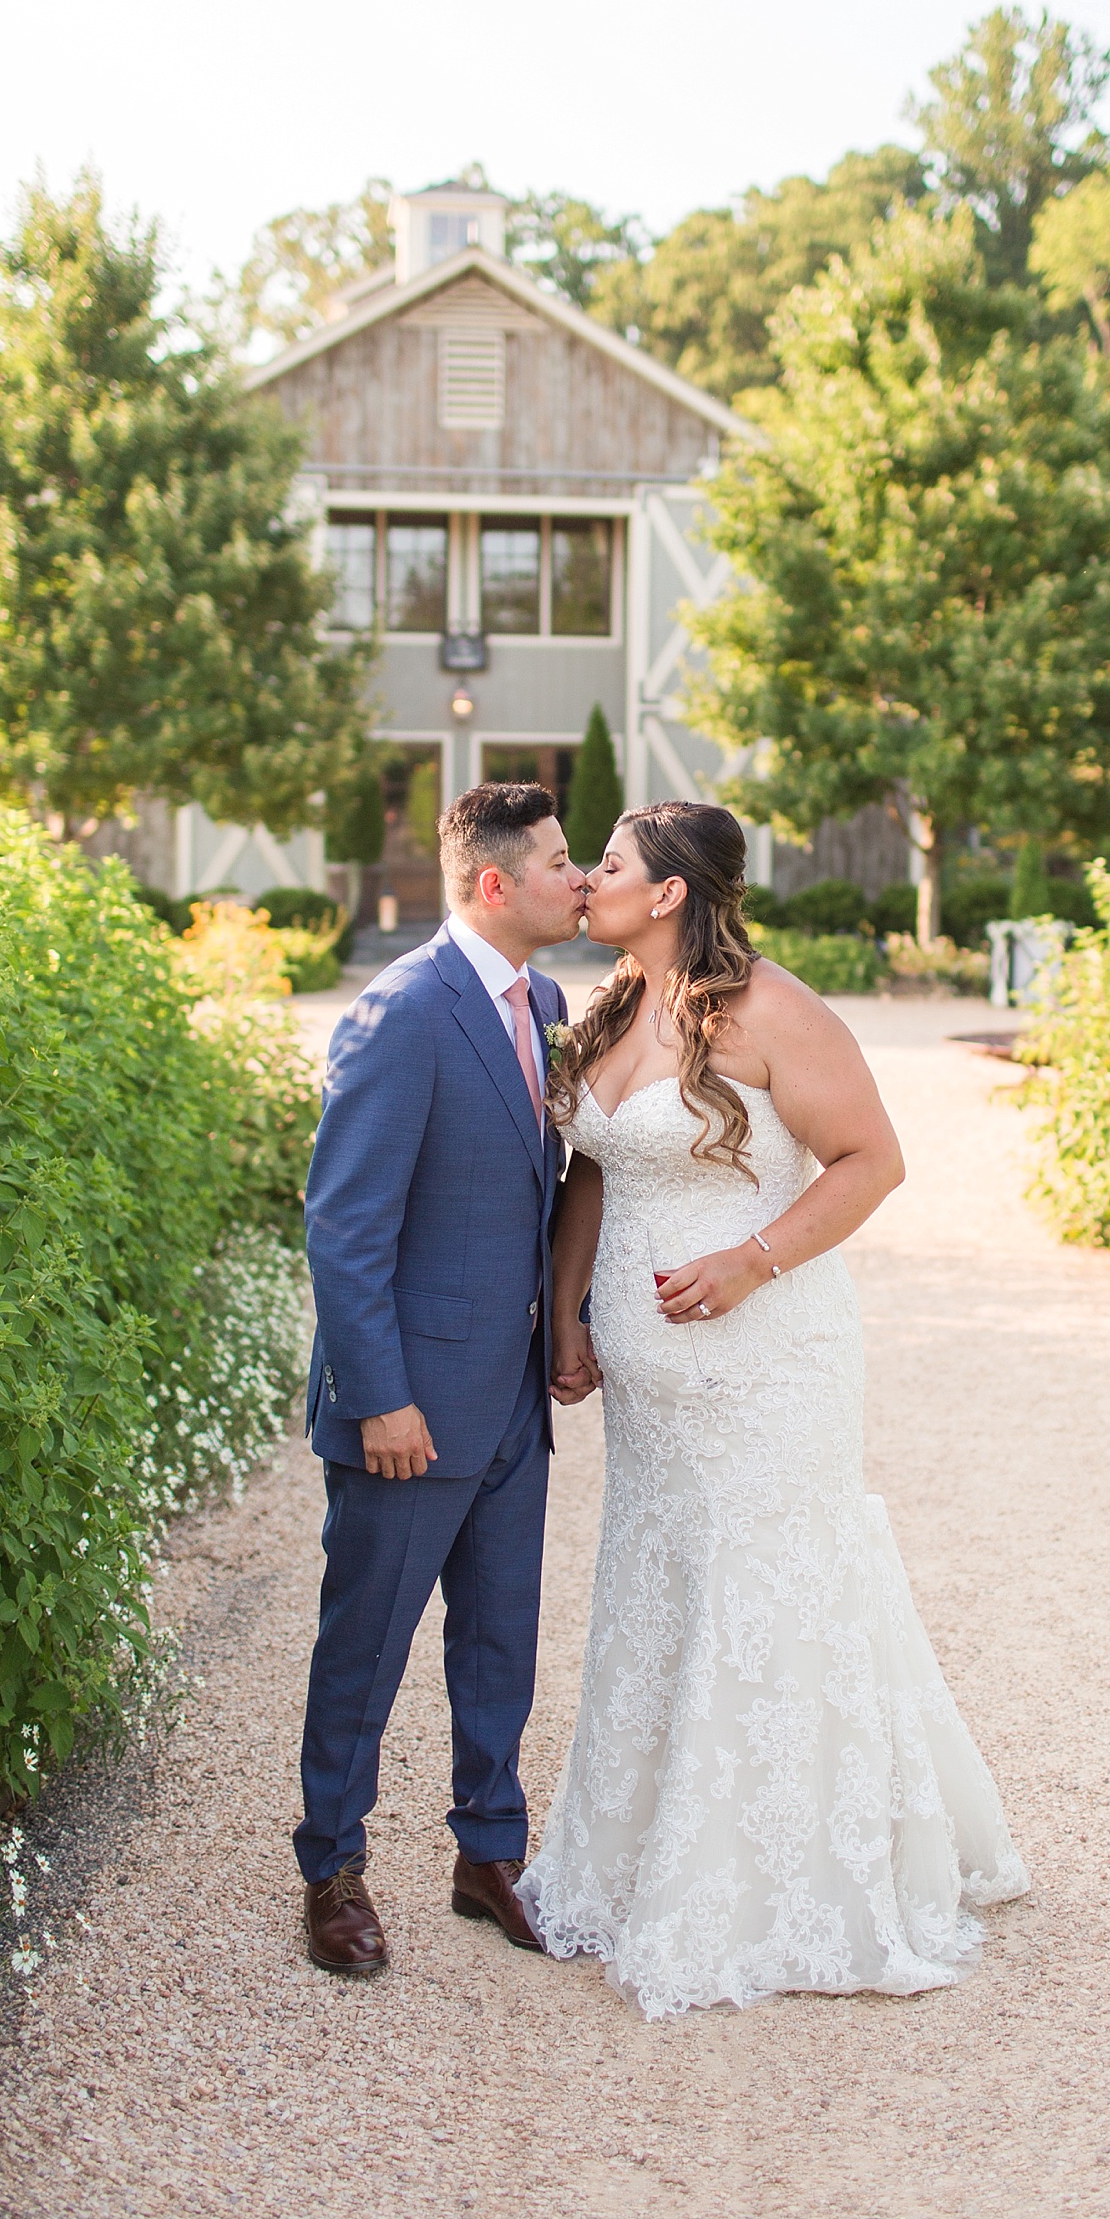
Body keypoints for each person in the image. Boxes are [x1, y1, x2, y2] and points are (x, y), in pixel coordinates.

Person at [522, 800, 1029, 2016]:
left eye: (610, 864)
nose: (586, 878)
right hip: (653, 1391)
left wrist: (753, 1257)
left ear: (669, 894)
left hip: (770, 1362)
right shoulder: (613, 1008)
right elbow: (598, 1165)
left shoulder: (771, 1010)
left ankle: (776, 1880)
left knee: (770, 1589)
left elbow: (873, 1160)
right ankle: (642, 1854)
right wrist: (569, 1309)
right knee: (660, 1589)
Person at [293, 782, 587, 1974]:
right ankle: (331, 1868)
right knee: (366, 1642)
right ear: (496, 883)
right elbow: (343, 1225)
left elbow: (542, 1183)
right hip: (407, 1406)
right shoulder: (402, 1012)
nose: (582, 879)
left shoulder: (550, 999)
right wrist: (381, 1395)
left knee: (503, 1636)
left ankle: (488, 1853)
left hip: (514, 1388)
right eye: (566, 861)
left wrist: (564, 1327)